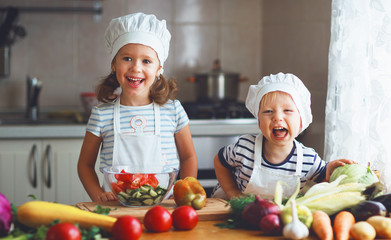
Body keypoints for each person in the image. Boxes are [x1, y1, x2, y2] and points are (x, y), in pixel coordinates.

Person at [77, 12, 198, 202]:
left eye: (146, 61)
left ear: (159, 69)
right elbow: (85, 165)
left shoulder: (173, 111)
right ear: (114, 64)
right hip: (116, 209)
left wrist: (185, 191)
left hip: (164, 208)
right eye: (127, 58)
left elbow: (189, 157)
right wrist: (98, 195)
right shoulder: (102, 115)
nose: (136, 68)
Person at [211, 72, 354, 200]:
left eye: (287, 110)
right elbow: (220, 161)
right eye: (268, 111)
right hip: (232, 212)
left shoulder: (307, 159)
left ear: (301, 120)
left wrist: (332, 169)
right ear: (259, 121)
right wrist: (231, 191)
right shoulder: (245, 147)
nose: (277, 117)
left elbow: (325, 175)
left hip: (273, 220)